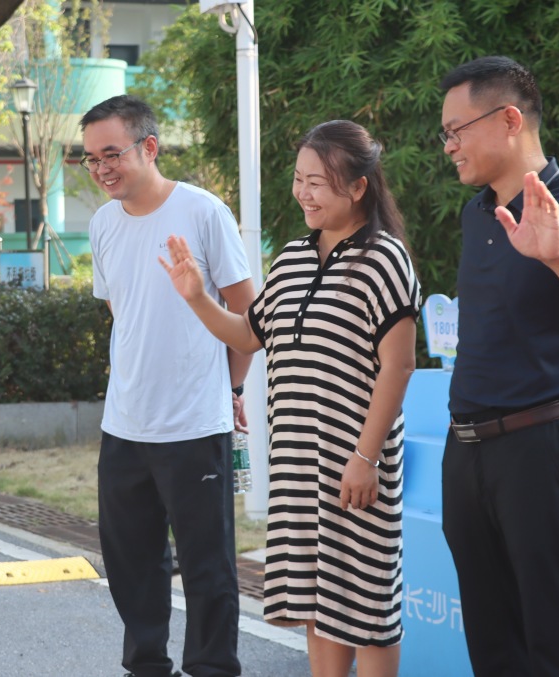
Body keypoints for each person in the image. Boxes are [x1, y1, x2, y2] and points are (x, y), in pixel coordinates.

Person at [162, 119, 420, 677]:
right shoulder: (292, 259)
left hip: (358, 466)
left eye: (318, 182)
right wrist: (196, 297)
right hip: (299, 466)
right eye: (299, 179)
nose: (303, 192)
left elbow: (399, 367)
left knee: (367, 604)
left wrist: (365, 457)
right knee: (317, 602)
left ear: (359, 187)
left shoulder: (384, 260)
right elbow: (247, 334)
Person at [438, 56, 559, 676]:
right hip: (465, 450)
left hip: (540, 448)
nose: (449, 147)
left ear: (510, 119)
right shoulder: (476, 215)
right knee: (493, 644)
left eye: (457, 129)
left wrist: (557, 258)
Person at [80, 94, 255, 677]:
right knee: (130, 560)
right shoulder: (103, 223)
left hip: (194, 424)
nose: (102, 168)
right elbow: (122, 313)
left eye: (112, 153)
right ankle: (146, 665)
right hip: (124, 422)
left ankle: (211, 667)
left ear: (148, 147)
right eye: (90, 159)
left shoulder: (204, 212)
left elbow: (247, 316)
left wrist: (227, 391)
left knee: (208, 567)